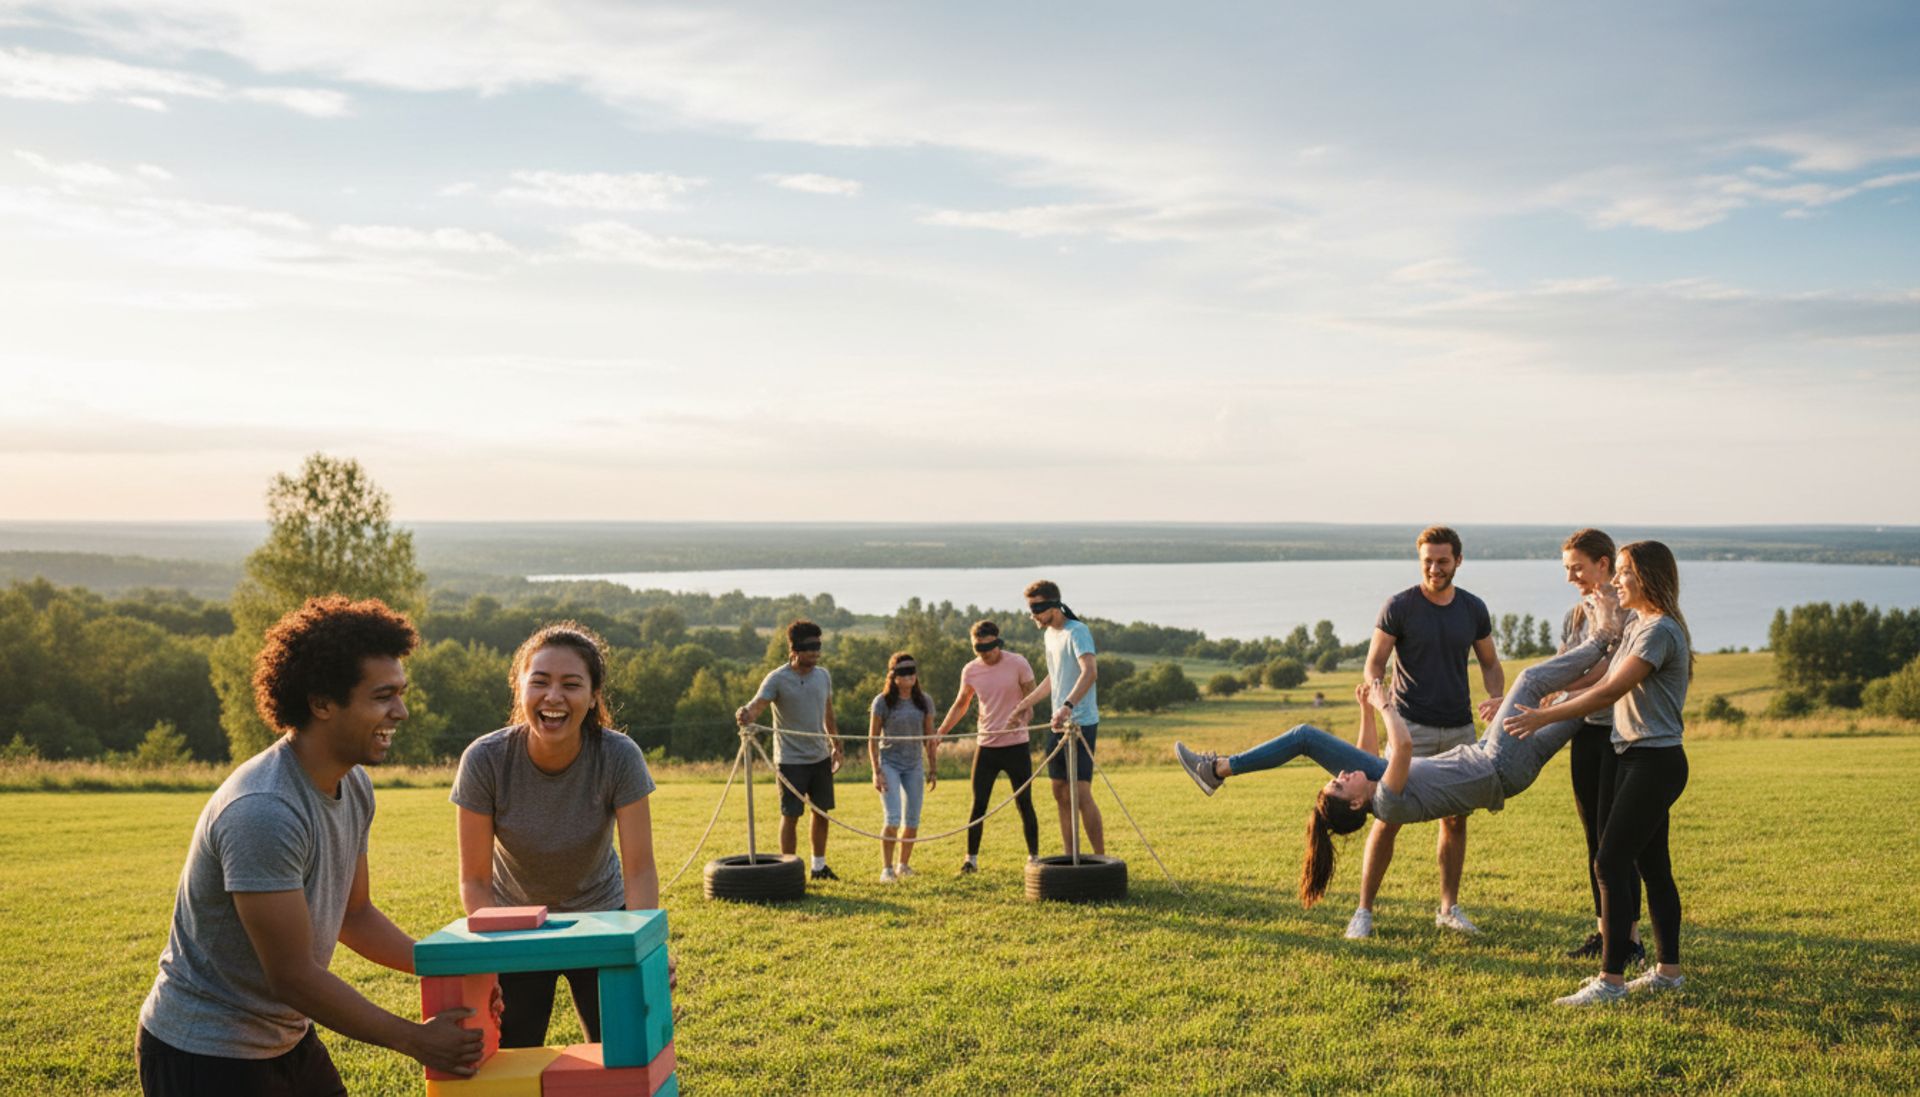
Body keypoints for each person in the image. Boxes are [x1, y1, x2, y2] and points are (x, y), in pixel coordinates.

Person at [137, 596, 486, 1096]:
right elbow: (293, 976)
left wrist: (453, 968)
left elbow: (354, 914)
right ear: (322, 703)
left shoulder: (355, 785)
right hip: (205, 1052)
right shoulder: (264, 810)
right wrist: (416, 1039)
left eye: (400, 693)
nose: (401, 711)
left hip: (287, 1037)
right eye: (383, 695)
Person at [1173, 592, 1622, 918]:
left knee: (1579, 705)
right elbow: (1402, 746)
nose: (1343, 773)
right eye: (1338, 782)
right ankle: (1605, 635)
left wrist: (1365, 710)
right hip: (1499, 765)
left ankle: (1617, 663)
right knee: (1528, 683)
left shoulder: (1377, 787)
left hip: (1495, 761)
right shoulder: (1387, 798)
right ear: (1355, 801)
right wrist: (1386, 704)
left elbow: (1366, 754)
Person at [450, 622, 660, 1048]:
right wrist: (495, 956)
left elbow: (640, 869)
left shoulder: (619, 756)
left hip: (604, 918)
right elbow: (474, 880)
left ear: (593, 696)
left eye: (572, 684)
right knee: (512, 1055)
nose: (554, 697)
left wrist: (641, 948)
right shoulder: (484, 760)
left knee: (623, 1048)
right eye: (540, 682)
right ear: (520, 689)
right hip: (514, 927)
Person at [1506, 541, 1693, 1006]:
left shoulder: (1658, 632)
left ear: (1646, 577)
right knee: (1652, 865)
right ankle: (1668, 973)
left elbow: (1609, 690)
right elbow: (1599, 674)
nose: (1617, 581)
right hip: (1631, 754)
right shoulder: (1638, 627)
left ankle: (1611, 981)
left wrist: (1542, 715)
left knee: (1609, 862)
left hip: (1655, 760)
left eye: (1625, 572)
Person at [1355, 525, 1505, 938]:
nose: (1434, 569)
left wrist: (1497, 698)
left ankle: (1448, 909)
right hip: (1409, 730)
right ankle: (1364, 912)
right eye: (1427, 561)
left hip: (1459, 729)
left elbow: (1490, 662)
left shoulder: (1473, 608)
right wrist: (1378, 695)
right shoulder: (1399, 606)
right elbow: (1374, 662)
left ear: (1458, 560)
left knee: (1456, 822)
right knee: (1386, 816)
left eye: (1442, 561)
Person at [1554, 529, 1646, 967]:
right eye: (1567, 568)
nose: (1571, 576)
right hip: (1584, 731)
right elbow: (1565, 661)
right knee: (1593, 835)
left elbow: (1606, 673)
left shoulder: (1630, 612)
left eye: (1578, 567)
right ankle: (1604, 931)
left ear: (1604, 564)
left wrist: (1558, 685)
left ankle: (1630, 939)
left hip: (1620, 734)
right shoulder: (1576, 615)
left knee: (1616, 841)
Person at [736, 619, 844, 880]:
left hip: (819, 757)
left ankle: (819, 867)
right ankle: (790, 869)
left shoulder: (824, 676)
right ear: (794, 650)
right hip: (790, 760)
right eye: (810, 648)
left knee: (821, 813)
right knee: (791, 814)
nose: (816, 653)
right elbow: (757, 707)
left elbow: (828, 712)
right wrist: (745, 714)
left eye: (818, 647)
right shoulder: (777, 679)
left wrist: (836, 743)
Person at [934, 620, 1042, 874]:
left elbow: (1032, 698)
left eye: (989, 647)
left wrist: (1022, 716)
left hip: (1016, 745)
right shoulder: (971, 670)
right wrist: (941, 731)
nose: (985, 653)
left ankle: (1034, 857)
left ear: (998, 641)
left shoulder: (1018, 663)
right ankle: (970, 860)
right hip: (987, 747)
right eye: (978, 649)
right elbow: (961, 704)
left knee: (1024, 802)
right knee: (978, 804)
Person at [1016, 580, 1105, 856]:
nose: (1034, 616)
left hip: (1080, 723)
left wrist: (1068, 705)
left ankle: (1100, 858)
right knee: (1059, 792)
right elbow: (1053, 678)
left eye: (1037, 609)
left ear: (1053, 606)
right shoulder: (1049, 636)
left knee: (1079, 793)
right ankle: (1070, 858)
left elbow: (1089, 672)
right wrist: (1024, 704)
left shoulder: (1078, 632)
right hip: (1057, 723)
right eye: (1031, 610)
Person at [869, 652, 937, 881]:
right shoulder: (882, 701)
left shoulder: (924, 701)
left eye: (912, 672)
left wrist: (933, 768)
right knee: (893, 818)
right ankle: (886, 869)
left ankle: (903, 865)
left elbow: (930, 737)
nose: (909, 676)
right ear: (893, 676)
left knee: (913, 820)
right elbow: (872, 739)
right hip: (890, 764)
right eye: (903, 672)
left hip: (914, 765)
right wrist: (876, 771)